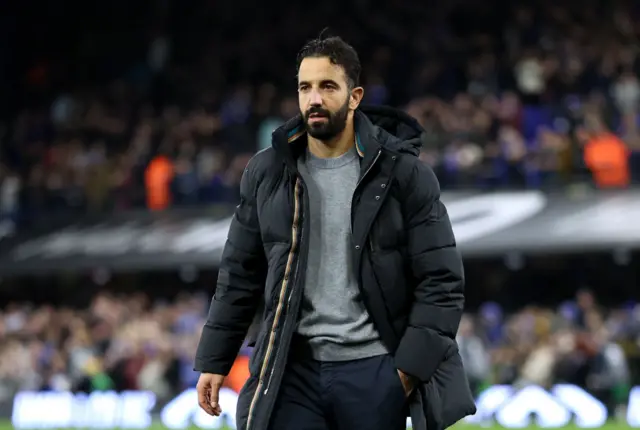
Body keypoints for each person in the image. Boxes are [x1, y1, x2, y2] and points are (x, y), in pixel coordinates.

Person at [194, 34, 476, 430]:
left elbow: (442, 281)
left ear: (355, 96)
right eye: (305, 87)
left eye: (328, 86)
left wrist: (405, 373)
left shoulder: (404, 175)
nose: (314, 99)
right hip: (292, 371)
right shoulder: (266, 172)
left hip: (374, 372)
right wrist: (214, 359)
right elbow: (240, 273)